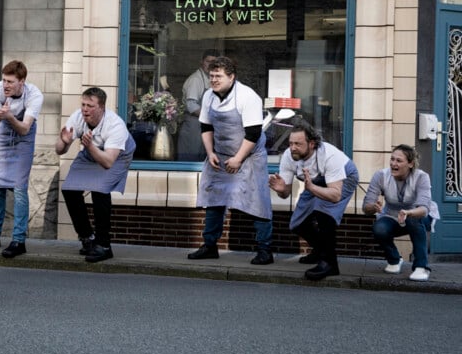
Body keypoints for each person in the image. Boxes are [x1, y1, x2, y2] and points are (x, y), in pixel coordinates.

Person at [187, 56, 274, 265]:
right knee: (213, 200)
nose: (214, 80)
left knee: (257, 202)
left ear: (231, 77)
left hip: (249, 156)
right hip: (219, 155)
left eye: (219, 76)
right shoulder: (208, 96)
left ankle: (265, 250)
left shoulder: (247, 96)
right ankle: (209, 245)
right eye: (212, 76)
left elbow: (253, 133)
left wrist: (238, 159)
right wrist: (210, 153)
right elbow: (206, 127)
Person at [268, 118, 359, 280]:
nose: (293, 148)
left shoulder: (329, 155)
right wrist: (281, 190)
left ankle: (330, 263)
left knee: (324, 213)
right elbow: (285, 193)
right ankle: (319, 251)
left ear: (312, 143)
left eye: (298, 144)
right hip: (315, 182)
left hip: (344, 178)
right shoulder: (289, 156)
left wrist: (312, 188)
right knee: (297, 223)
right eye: (290, 143)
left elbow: (335, 195)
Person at [55, 87, 135, 263]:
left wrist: (89, 146)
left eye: (90, 106)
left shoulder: (115, 125)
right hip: (91, 150)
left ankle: (104, 245)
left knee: (100, 190)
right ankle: (87, 238)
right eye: (83, 104)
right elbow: (59, 151)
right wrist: (64, 142)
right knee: (69, 189)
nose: (85, 109)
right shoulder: (78, 117)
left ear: (101, 108)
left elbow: (107, 162)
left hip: (117, 155)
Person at [0, 60, 44, 258]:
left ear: (21, 82)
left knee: (19, 188)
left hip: (23, 140)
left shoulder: (34, 95)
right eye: (4, 80)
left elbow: (24, 129)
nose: (5, 85)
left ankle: (18, 240)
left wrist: (9, 117)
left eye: (10, 81)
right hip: (2, 136)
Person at [363, 144, 439, 282]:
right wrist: (373, 207)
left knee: (413, 220)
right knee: (379, 228)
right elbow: (366, 207)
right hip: (392, 215)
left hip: (418, 216)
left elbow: (424, 209)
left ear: (410, 164)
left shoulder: (422, 177)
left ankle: (421, 267)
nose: (393, 163)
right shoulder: (380, 176)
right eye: (392, 159)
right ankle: (394, 259)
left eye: (398, 161)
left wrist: (409, 212)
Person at [177, 50, 218, 161]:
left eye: (213, 61)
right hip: (194, 126)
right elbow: (191, 105)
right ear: (202, 62)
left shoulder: (211, 79)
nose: (210, 64)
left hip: (204, 125)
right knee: (192, 159)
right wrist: (210, 118)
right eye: (207, 61)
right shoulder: (196, 79)